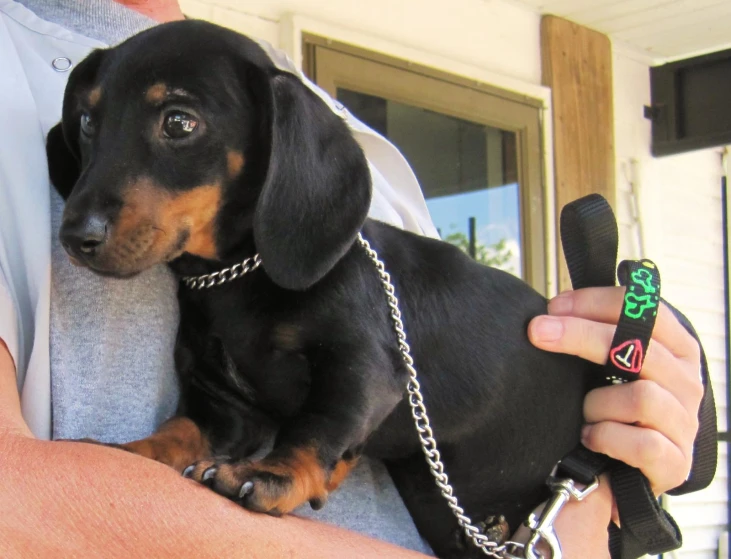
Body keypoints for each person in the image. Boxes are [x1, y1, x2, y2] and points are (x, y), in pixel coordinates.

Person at [0, 0, 707, 557]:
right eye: (94, 132)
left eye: (179, 122)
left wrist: (663, 414)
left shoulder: (331, 132)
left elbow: (418, 382)